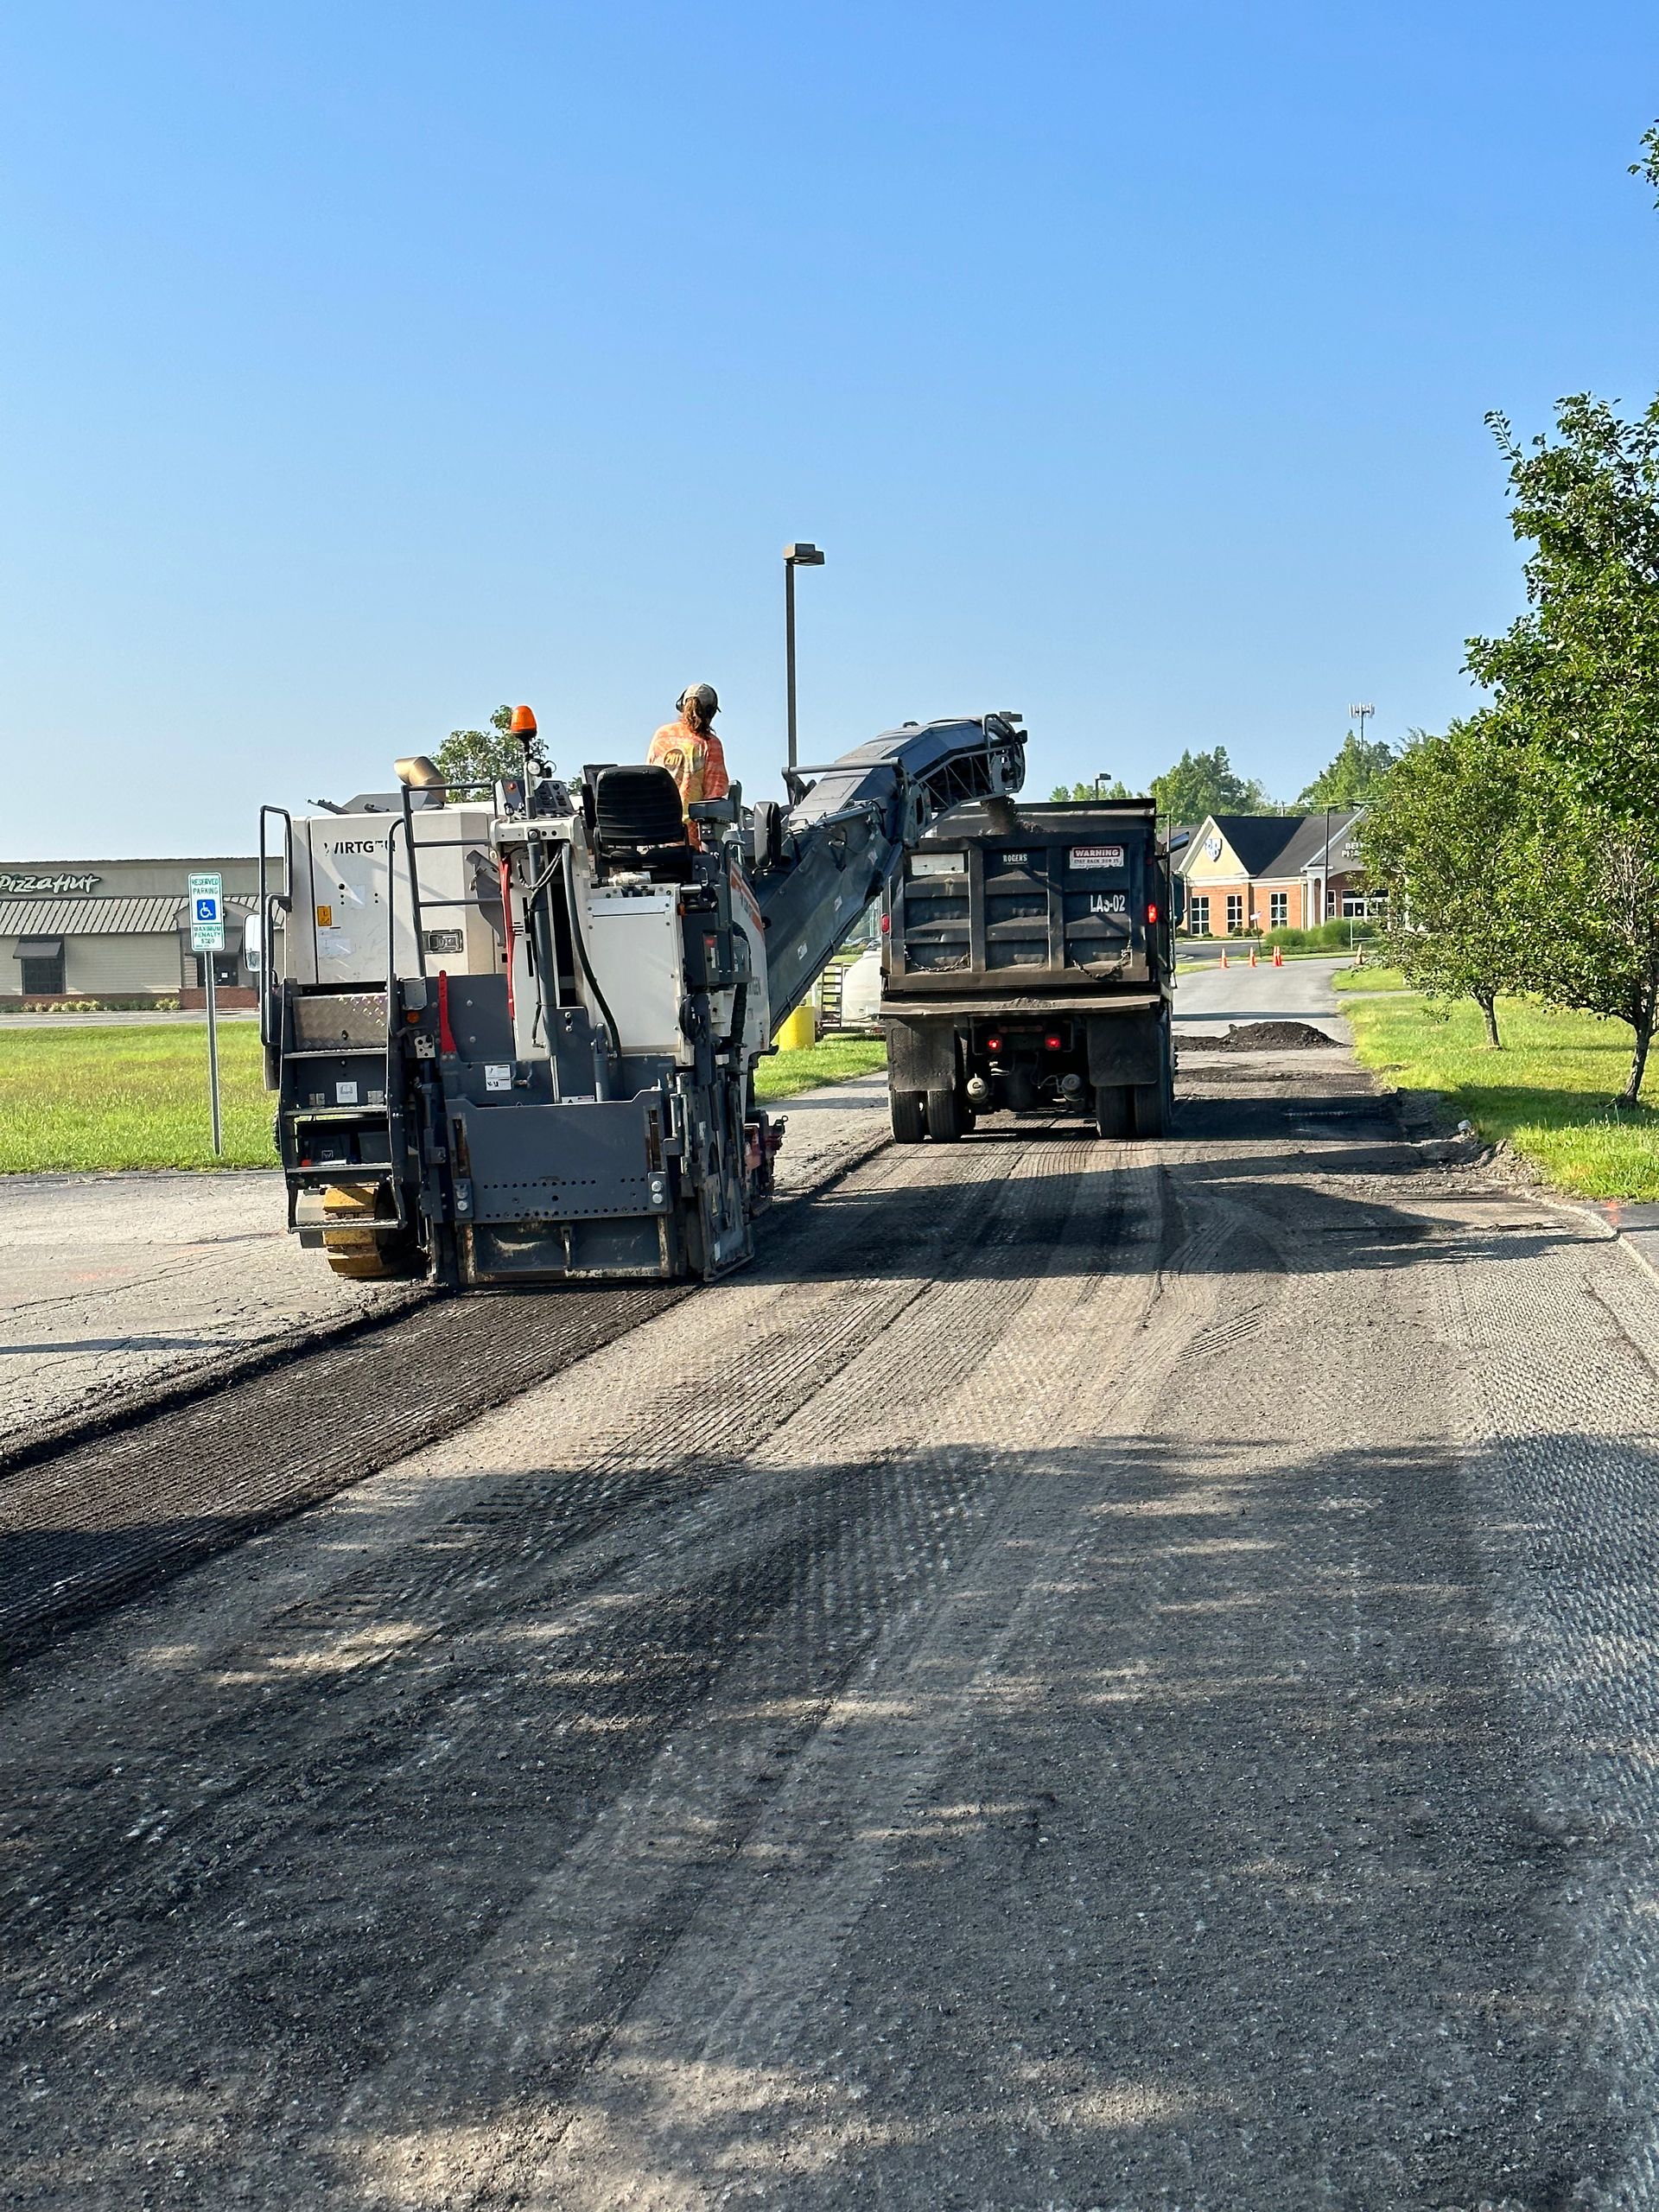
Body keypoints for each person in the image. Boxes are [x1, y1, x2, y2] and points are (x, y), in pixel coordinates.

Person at [647, 684, 729, 837]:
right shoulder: (710, 743)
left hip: (656, 835)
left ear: (681, 706)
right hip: (690, 839)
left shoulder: (661, 735)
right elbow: (714, 798)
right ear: (710, 712)